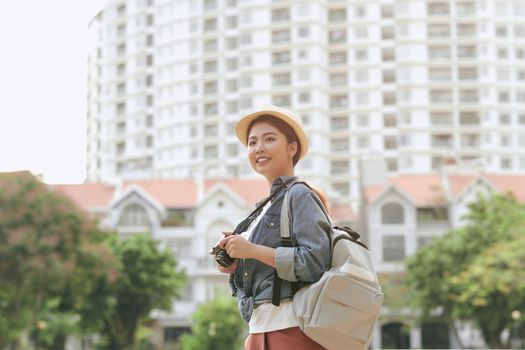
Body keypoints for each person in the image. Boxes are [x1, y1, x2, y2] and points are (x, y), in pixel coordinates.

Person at [211, 105, 331, 349]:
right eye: (252, 142)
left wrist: (252, 251)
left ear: (292, 148)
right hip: (259, 329)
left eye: (269, 139)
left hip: (290, 330)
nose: (259, 148)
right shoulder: (261, 209)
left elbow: (315, 263)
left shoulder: (300, 195)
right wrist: (237, 264)